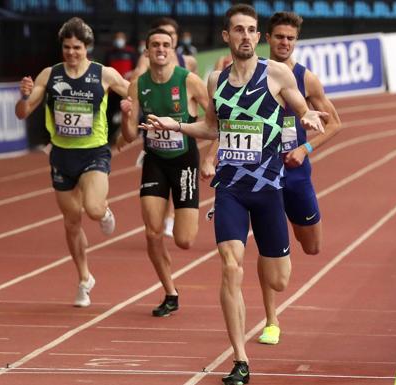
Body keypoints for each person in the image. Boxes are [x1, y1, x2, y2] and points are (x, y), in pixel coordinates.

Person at [140, 4, 328, 384]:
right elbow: (211, 129)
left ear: (258, 37)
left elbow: (303, 110)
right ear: (227, 36)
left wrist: (308, 117)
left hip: (269, 189)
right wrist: (174, 124)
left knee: (278, 280)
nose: (246, 36)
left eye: (252, 30)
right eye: (238, 30)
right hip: (231, 188)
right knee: (230, 265)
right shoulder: (215, 81)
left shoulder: (275, 74)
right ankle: (240, 361)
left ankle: (271, 280)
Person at [15, 17, 129, 308]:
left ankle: (103, 213)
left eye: (77, 47)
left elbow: (137, 94)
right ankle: (84, 279)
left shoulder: (104, 74)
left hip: (94, 152)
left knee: (91, 208)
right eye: (67, 47)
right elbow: (23, 113)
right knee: (71, 223)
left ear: (87, 47)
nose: (71, 53)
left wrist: (136, 109)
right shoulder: (49, 75)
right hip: (62, 156)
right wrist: (23, 97)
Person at [255, 11, 342, 346]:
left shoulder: (306, 79)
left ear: (296, 41)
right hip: (264, 174)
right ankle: (271, 320)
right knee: (268, 249)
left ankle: (285, 241)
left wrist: (305, 148)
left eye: (290, 38)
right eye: (279, 37)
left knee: (313, 246)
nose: (284, 43)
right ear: (268, 38)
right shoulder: (254, 75)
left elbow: (335, 123)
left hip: (297, 173)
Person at [119, 27, 209, 317]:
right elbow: (131, 134)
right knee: (153, 232)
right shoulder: (138, 84)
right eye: (154, 44)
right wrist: (125, 116)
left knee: (184, 240)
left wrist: (211, 159)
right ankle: (170, 292)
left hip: (184, 160)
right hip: (155, 160)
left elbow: (217, 122)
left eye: (166, 45)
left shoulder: (190, 82)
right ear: (146, 51)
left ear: (173, 50)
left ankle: (172, 283)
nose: (160, 49)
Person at [131, 17, 198, 79]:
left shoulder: (189, 61)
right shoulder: (146, 59)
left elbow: (198, 90)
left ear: (177, 36)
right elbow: (134, 85)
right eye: (163, 32)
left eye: (171, 33)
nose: (168, 37)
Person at [104, 31, 138, 144]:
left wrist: (130, 74)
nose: (119, 40)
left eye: (121, 38)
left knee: (128, 113)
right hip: (112, 90)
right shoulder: (109, 53)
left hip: (126, 89)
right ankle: (109, 137)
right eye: (117, 38)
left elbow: (137, 69)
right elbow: (104, 69)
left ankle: (128, 135)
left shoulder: (130, 52)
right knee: (109, 114)